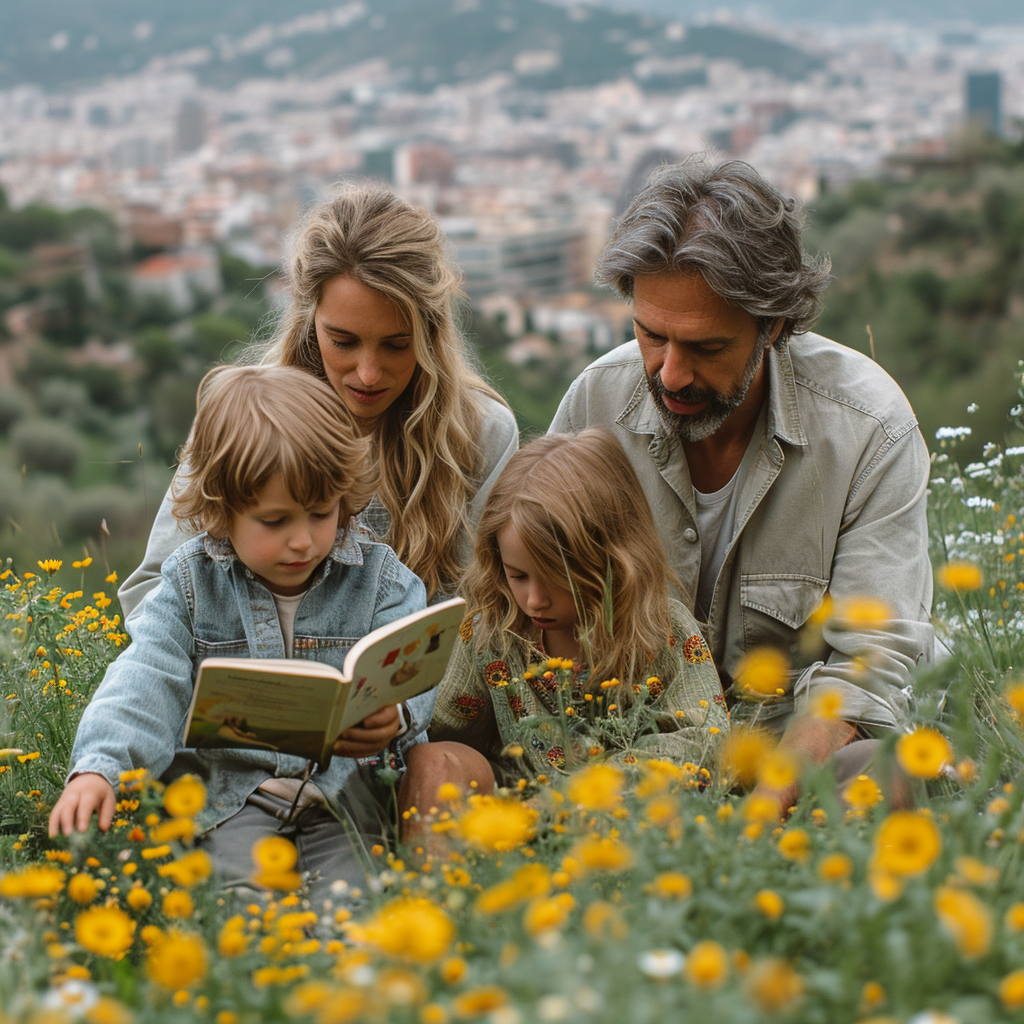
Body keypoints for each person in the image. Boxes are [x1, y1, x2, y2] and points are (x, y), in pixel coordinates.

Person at [549, 156, 933, 812]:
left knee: (883, 772)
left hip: (792, 752)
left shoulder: (867, 428)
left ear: (775, 325)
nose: (669, 374)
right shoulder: (596, 407)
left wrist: (752, 816)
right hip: (634, 751)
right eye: (650, 336)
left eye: (704, 348)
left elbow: (869, 667)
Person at [49, 365, 429, 906]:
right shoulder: (190, 582)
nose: (303, 540)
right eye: (275, 522)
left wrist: (396, 711)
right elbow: (145, 676)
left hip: (342, 798)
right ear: (221, 513)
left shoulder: (379, 577)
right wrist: (101, 769)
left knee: (352, 909)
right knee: (241, 906)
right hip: (230, 800)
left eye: (321, 513)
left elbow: (412, 661)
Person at [119, 184, 518, 615]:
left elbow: (484, 609)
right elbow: (150, 592)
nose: (368, 373)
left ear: (432, 334)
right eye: (343, 341)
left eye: (397, 345)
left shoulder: (483, 434)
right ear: (310, 320)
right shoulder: (243, 414)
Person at [405, 429, 728, 808]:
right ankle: (425, 866)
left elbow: (701, 742)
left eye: (558, 579)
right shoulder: (494, 629)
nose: (534, 600)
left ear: (612, 560)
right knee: (429, 761)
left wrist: (561, 805)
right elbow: (443, 726)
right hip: (513, 817)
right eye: (518, 575)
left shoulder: (662, 631)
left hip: (621, 819)